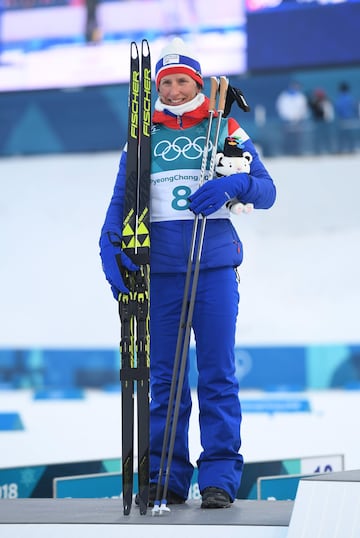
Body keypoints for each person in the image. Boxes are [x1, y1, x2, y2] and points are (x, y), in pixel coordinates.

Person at [99, 37, 276, 509]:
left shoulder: (224, 125)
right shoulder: (143, 133)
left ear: (197, 83)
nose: (174, 90)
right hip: (162, 272)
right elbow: (122, 197)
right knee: (165, 381)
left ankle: (218, 476)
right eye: (166, 82)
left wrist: (234, 185)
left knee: (217, 375)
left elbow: (266, 189)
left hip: (214, 267)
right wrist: (108, 243)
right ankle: (166, 476)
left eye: (182, 82)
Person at [276, 80, 309, 155]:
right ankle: (287, 152)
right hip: (287, 121)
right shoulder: (284, 96)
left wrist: (298, 118)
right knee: (287, 138)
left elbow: (303, 109)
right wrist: (288, 118)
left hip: (298, 121)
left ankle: (297, 151)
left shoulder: (301, 96)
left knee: (298, 138)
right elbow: (281, 108)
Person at [307, 87, 334, 154]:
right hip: (317, 122)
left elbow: (329, 112)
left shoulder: (326, 101)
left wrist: (329, 120)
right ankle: (317, 150)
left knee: (326, 137)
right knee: (317, 138)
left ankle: (328, 149)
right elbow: (311, 107)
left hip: (325, 122)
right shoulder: (314, 102)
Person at [334, 82, 359, 154]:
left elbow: (337, 109)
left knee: (341, 137)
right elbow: (355, 109)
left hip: (342, 120)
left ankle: (340, 149)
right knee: (351, 136)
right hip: (351, 120)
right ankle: (351, 149)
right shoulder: (351, 98)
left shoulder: (339, 99)